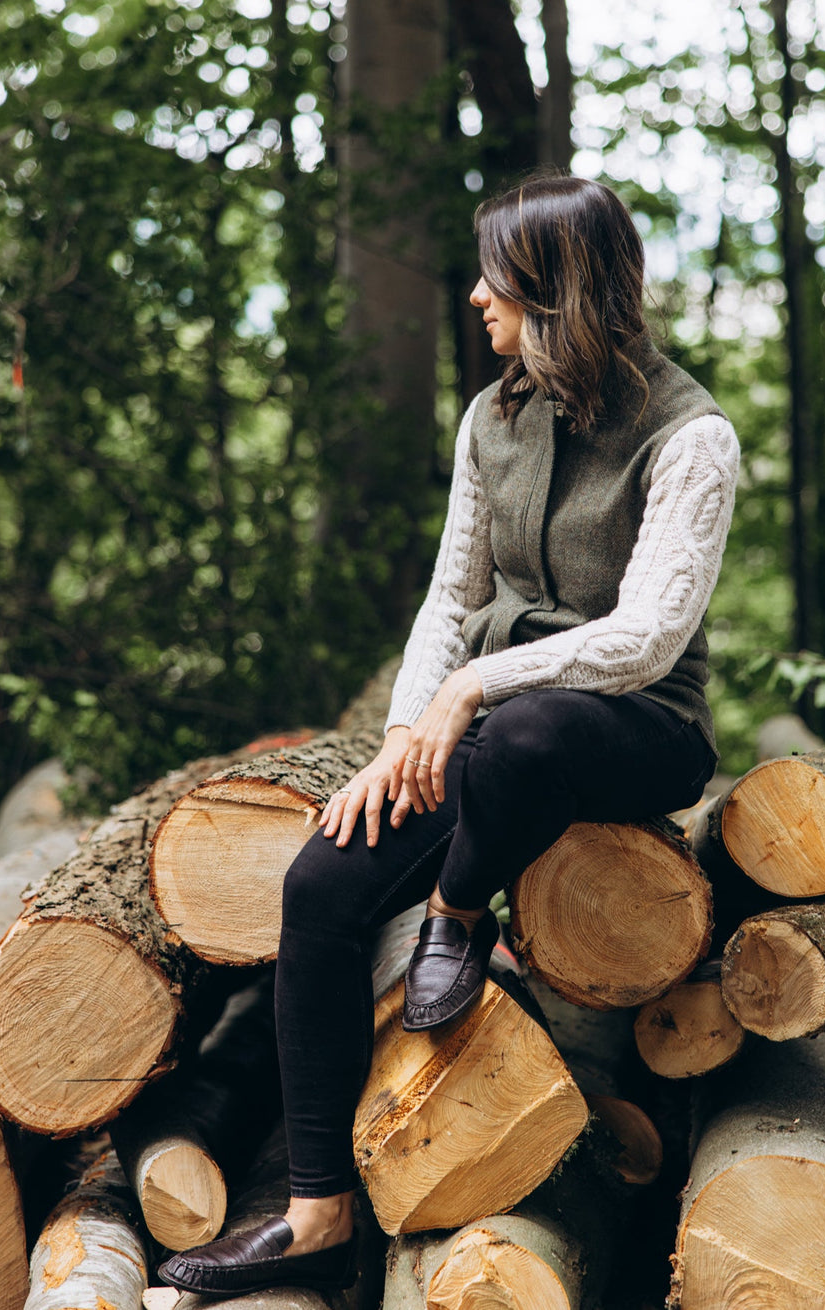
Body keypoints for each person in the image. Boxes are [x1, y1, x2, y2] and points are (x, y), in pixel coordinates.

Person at [159, 172, 740, 1297]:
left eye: (498, 278)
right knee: (321, 889)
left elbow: (646, 639)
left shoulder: (691, 434)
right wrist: (394, 742)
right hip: (488, 730)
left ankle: (457, 911)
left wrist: (471, 688)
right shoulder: (493, 417)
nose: (477, 295)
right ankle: (318, 1206)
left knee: (521, 741)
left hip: (634, 729)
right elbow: (448, 591)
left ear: (557, 290)